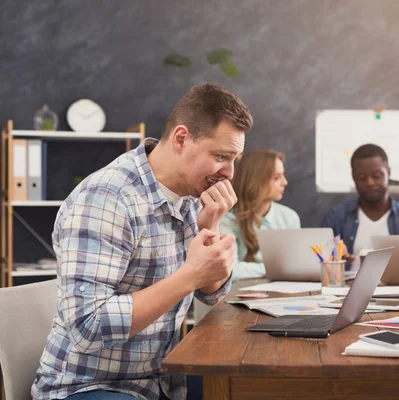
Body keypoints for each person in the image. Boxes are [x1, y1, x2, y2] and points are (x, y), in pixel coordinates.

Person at [32, 83, 253, 400]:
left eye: (235, 159)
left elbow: (211, 295)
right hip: (89, 386)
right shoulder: (106, 198)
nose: (229, 173)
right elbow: (87, 327)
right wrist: (189, 274)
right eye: (221, 156)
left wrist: (210, 228)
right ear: (181, 139)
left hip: (162, 380)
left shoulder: (192, 197)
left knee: (250, 388)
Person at [321, 144, 399, 269]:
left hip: (398, 288)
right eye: (362, 178)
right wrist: (333, 257)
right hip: (347, 287)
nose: (370, 183)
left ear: (388, 173)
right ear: (353, 178)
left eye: (376, 176)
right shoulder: (334, 218)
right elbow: (321, 266)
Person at [220, 148, 300, 280]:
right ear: (256, 181)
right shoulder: (226, 219)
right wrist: (275, 269)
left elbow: (295, 266)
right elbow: (230, 269)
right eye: (276, 178)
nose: (285, 182)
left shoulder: (289, 217)